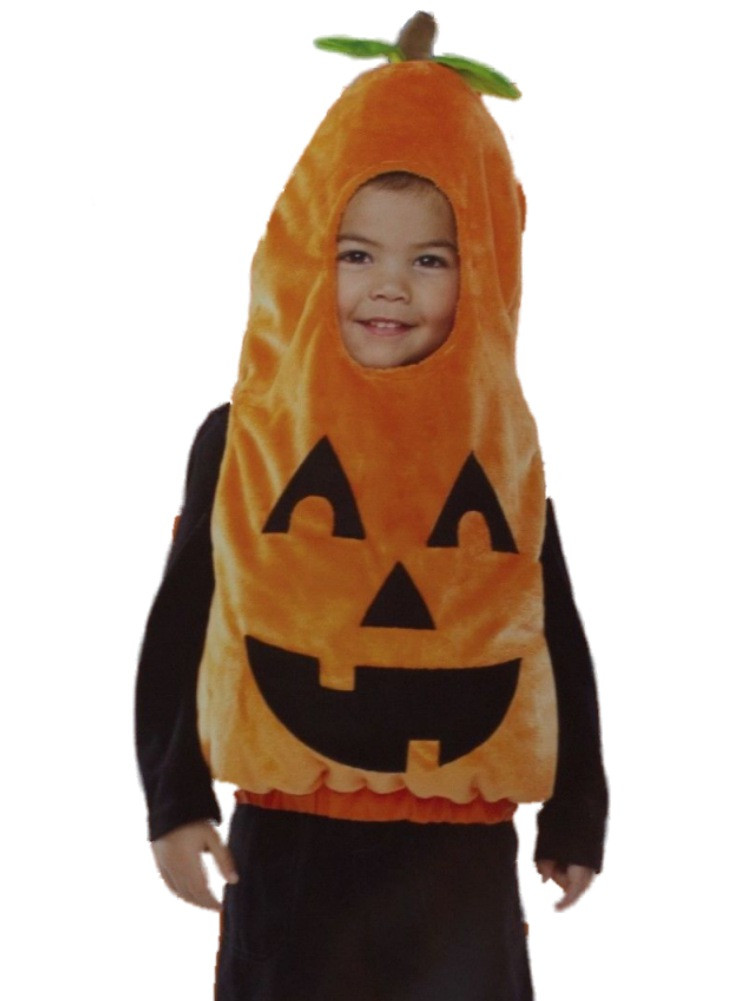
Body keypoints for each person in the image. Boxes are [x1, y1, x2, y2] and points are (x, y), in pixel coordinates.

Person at [137, 26, 607, 1001]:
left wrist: (575, 807)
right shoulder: (248, 437)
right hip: (290, 842)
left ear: (483, 270)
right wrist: (175, 799)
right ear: (309, 258)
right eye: (358, 252)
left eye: (431, 258)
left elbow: (548, 622)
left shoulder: (497, 446)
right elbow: (188, 616)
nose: (390, 283)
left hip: (459, 857)